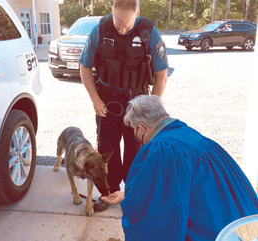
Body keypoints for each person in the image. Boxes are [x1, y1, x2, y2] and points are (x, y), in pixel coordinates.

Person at [101, 95, 258, 240]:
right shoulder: (188, 134)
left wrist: (132, 202)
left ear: (142, 128)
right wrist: (127, 195)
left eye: (135, 131)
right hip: (236, 225)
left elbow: (162, 212)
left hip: (210, 233)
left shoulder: (162, 148)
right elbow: (172, 189)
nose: (136, 137)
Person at [79, 0, 169, 212]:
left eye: (126, 25)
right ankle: (108, 194)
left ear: (137, 14)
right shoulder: (100, 30)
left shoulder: (149, 33)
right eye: (117, 23)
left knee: (135, 152)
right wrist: (95, 99)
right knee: (106, 150)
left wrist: (151, 108)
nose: (121, 30)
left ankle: (133, 194)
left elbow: (161, 75)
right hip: (107, 103)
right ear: (112, 12)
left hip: (137, 104)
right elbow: (84, 67)